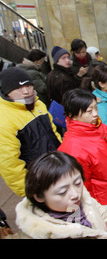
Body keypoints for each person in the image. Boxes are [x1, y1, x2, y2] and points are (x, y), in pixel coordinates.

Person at [15, 151, 107, 239]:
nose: (75, 194)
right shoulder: (38, 233)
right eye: (62, 192)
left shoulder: (84, 197)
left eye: (78, 183)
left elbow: (105, 215)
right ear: (39, 196)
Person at [0, 67, 61, 196]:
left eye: (29, 86)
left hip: (59, 169)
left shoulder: (38, 104)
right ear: (6, 92)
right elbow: (9, 164)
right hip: (39, 183)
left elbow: (54, 134)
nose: (26, 92)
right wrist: (29, 192)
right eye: (19, 88)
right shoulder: (4, 119)